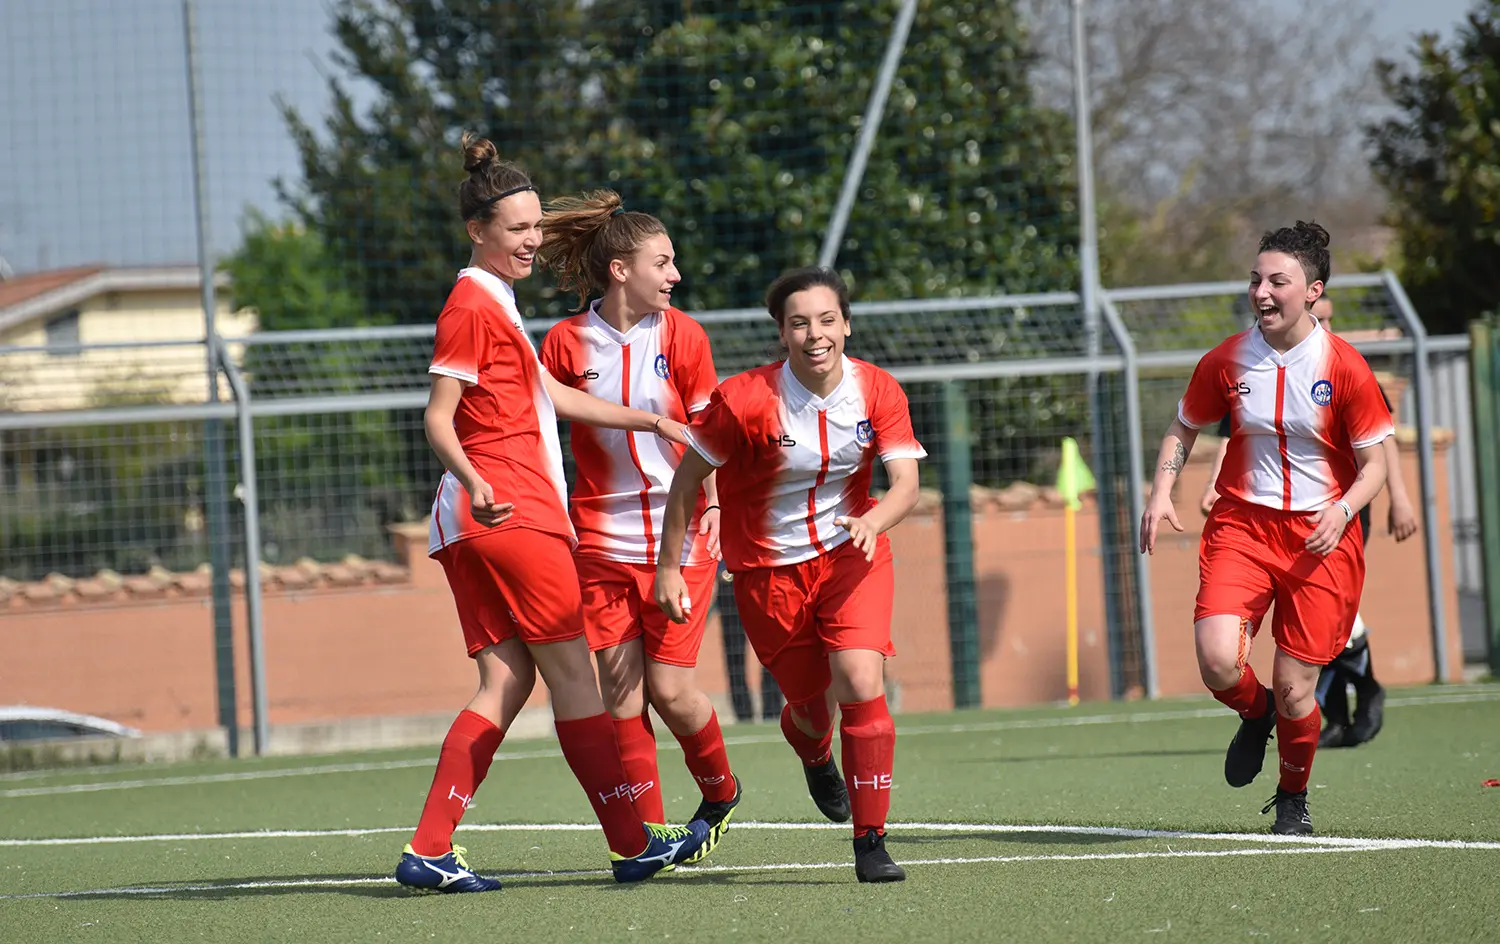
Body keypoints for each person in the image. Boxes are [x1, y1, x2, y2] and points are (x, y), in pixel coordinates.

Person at [393, 135, 707, 893]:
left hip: (470, 525)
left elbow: (552, 398)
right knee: (576, 677)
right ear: (479, 231)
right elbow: (438, 417)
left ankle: (429, 849)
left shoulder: (494, 301)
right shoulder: (471, 304)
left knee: (504, 682)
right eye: (517, 229)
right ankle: (633, 843)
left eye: (537, 226)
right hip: (511, 513)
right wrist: (479, 479)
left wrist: (652, 422)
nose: (533, 240)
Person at [655, 266, 926, 883]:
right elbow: (688, 480)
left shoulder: (878, 390)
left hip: (853, 557)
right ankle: (814, 751)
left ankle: (871, 842)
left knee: (860, 677)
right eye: (800, 322)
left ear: (847, 325)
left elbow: (906, 483)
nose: (815, 334)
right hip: (768, 572)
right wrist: (670, 566)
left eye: (827, 320)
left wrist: (873, 522)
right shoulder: (745, 398)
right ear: (782, 332)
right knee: (810, 709)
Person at [1139, 221, 1393, 836]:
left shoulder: (1346, 368)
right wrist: (1160, 491)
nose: (1262, 292)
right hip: (1242, 528)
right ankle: (1257, 716)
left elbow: (1376, 465)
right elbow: (1183, 427)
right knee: (1218, 660)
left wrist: (1342, 510)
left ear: (1313, 291)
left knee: (1296, 690)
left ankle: (1292, 799)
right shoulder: (1225, 359)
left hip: (1320, 539)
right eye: (1256, 279)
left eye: (1278, 280)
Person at [536, 190, 740, 862]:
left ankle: (719, 790)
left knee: (672, 690)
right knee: (621, 698)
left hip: (680, 536)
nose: (675, 274)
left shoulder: (683, 334)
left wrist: (711, 504)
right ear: (621, 270)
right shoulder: (565, 342)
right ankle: (653, 843)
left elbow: (709, 432)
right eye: (664, 261)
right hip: (600, 538)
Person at [1199, 296, 1420, 747]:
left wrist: (1400, 497)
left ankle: (1362, 683)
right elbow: (1233, 434)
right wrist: (1212, 485)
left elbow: (1381, 446)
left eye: (1331, 316)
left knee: (1327, 608)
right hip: (1271, 515)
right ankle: (1334, 712)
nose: (1324, 323)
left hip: (1342, 506)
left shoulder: (1345, 366)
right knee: (1311, 619)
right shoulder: (1257, 369)